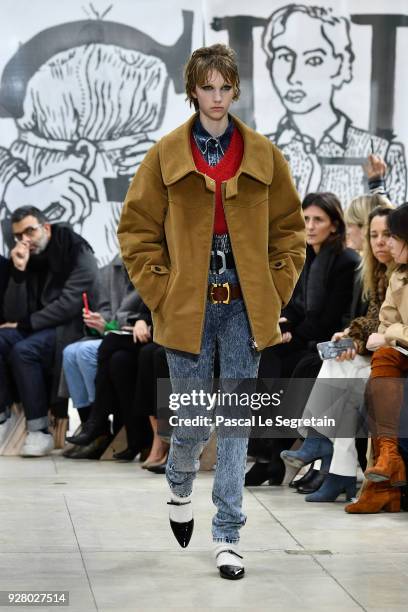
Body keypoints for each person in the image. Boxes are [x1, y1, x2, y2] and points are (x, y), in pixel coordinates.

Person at [117, 44, 305, 580]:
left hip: (245, 302)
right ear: (192, 90)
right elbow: (136, 231)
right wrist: (162, 291)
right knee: (196, 421)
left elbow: (290, 231)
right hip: (188, 304)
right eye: (208, 88)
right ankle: (179, 480)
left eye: (226, 88)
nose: (217, 98)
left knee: (236, 421)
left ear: (235, 89)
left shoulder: (264, 154)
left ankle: (228, 533)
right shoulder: (165, 155)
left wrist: (275, 285)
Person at [281, 206, 395, 502]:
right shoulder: (380, 272)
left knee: (340, 372)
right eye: (374, 235)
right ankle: (336, 470)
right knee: (339, 370)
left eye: (387, 235)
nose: (380, 242)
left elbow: (388, 325)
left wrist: (357, 338)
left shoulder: (395, 272)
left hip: (393, 358)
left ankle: (324, 451)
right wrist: (352, 336)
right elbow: (375, 318)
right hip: (381, 353)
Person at [246, 192, 359, 487]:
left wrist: (292, 335)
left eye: (317, 220)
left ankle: (273, 458)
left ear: (334, 226)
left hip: (328, 343)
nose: (309, 226)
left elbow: (329, 319)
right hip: (307, 338)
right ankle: (265, 457)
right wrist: (283, 325)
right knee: (266, 359)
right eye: (306, 219)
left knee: (294, 367)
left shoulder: (345, 261)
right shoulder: (308, 256)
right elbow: (297, 307)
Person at [262, 4, 406, 205]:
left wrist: (377, 185)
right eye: (285, 56)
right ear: (270, 64)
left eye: (313, 60)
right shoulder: (258, 152)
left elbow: (393, 229)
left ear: (341, 67)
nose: (293, 76)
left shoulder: (382, 153)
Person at [0, 206, 98, 456]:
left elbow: (69, 304)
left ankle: (38, 430)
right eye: (19, 235)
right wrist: (19, 272)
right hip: (36, 326)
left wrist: (25, 325)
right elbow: (12, 313)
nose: (25, 240)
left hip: (70, 327)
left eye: (30, 231)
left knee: (24, 351)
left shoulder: (76, 249)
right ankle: (4, 416)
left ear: (46, 228)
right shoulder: (28, 257)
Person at [345, 204, 408, 513]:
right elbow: (384, 323)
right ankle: (388, 463)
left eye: (393, 236)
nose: (387, 244)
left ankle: (383, 483)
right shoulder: (399, 277)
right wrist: (390, 335)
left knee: (381, 362)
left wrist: (391, 334)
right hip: (402, 353)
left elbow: (388, 329)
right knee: (381, 365)